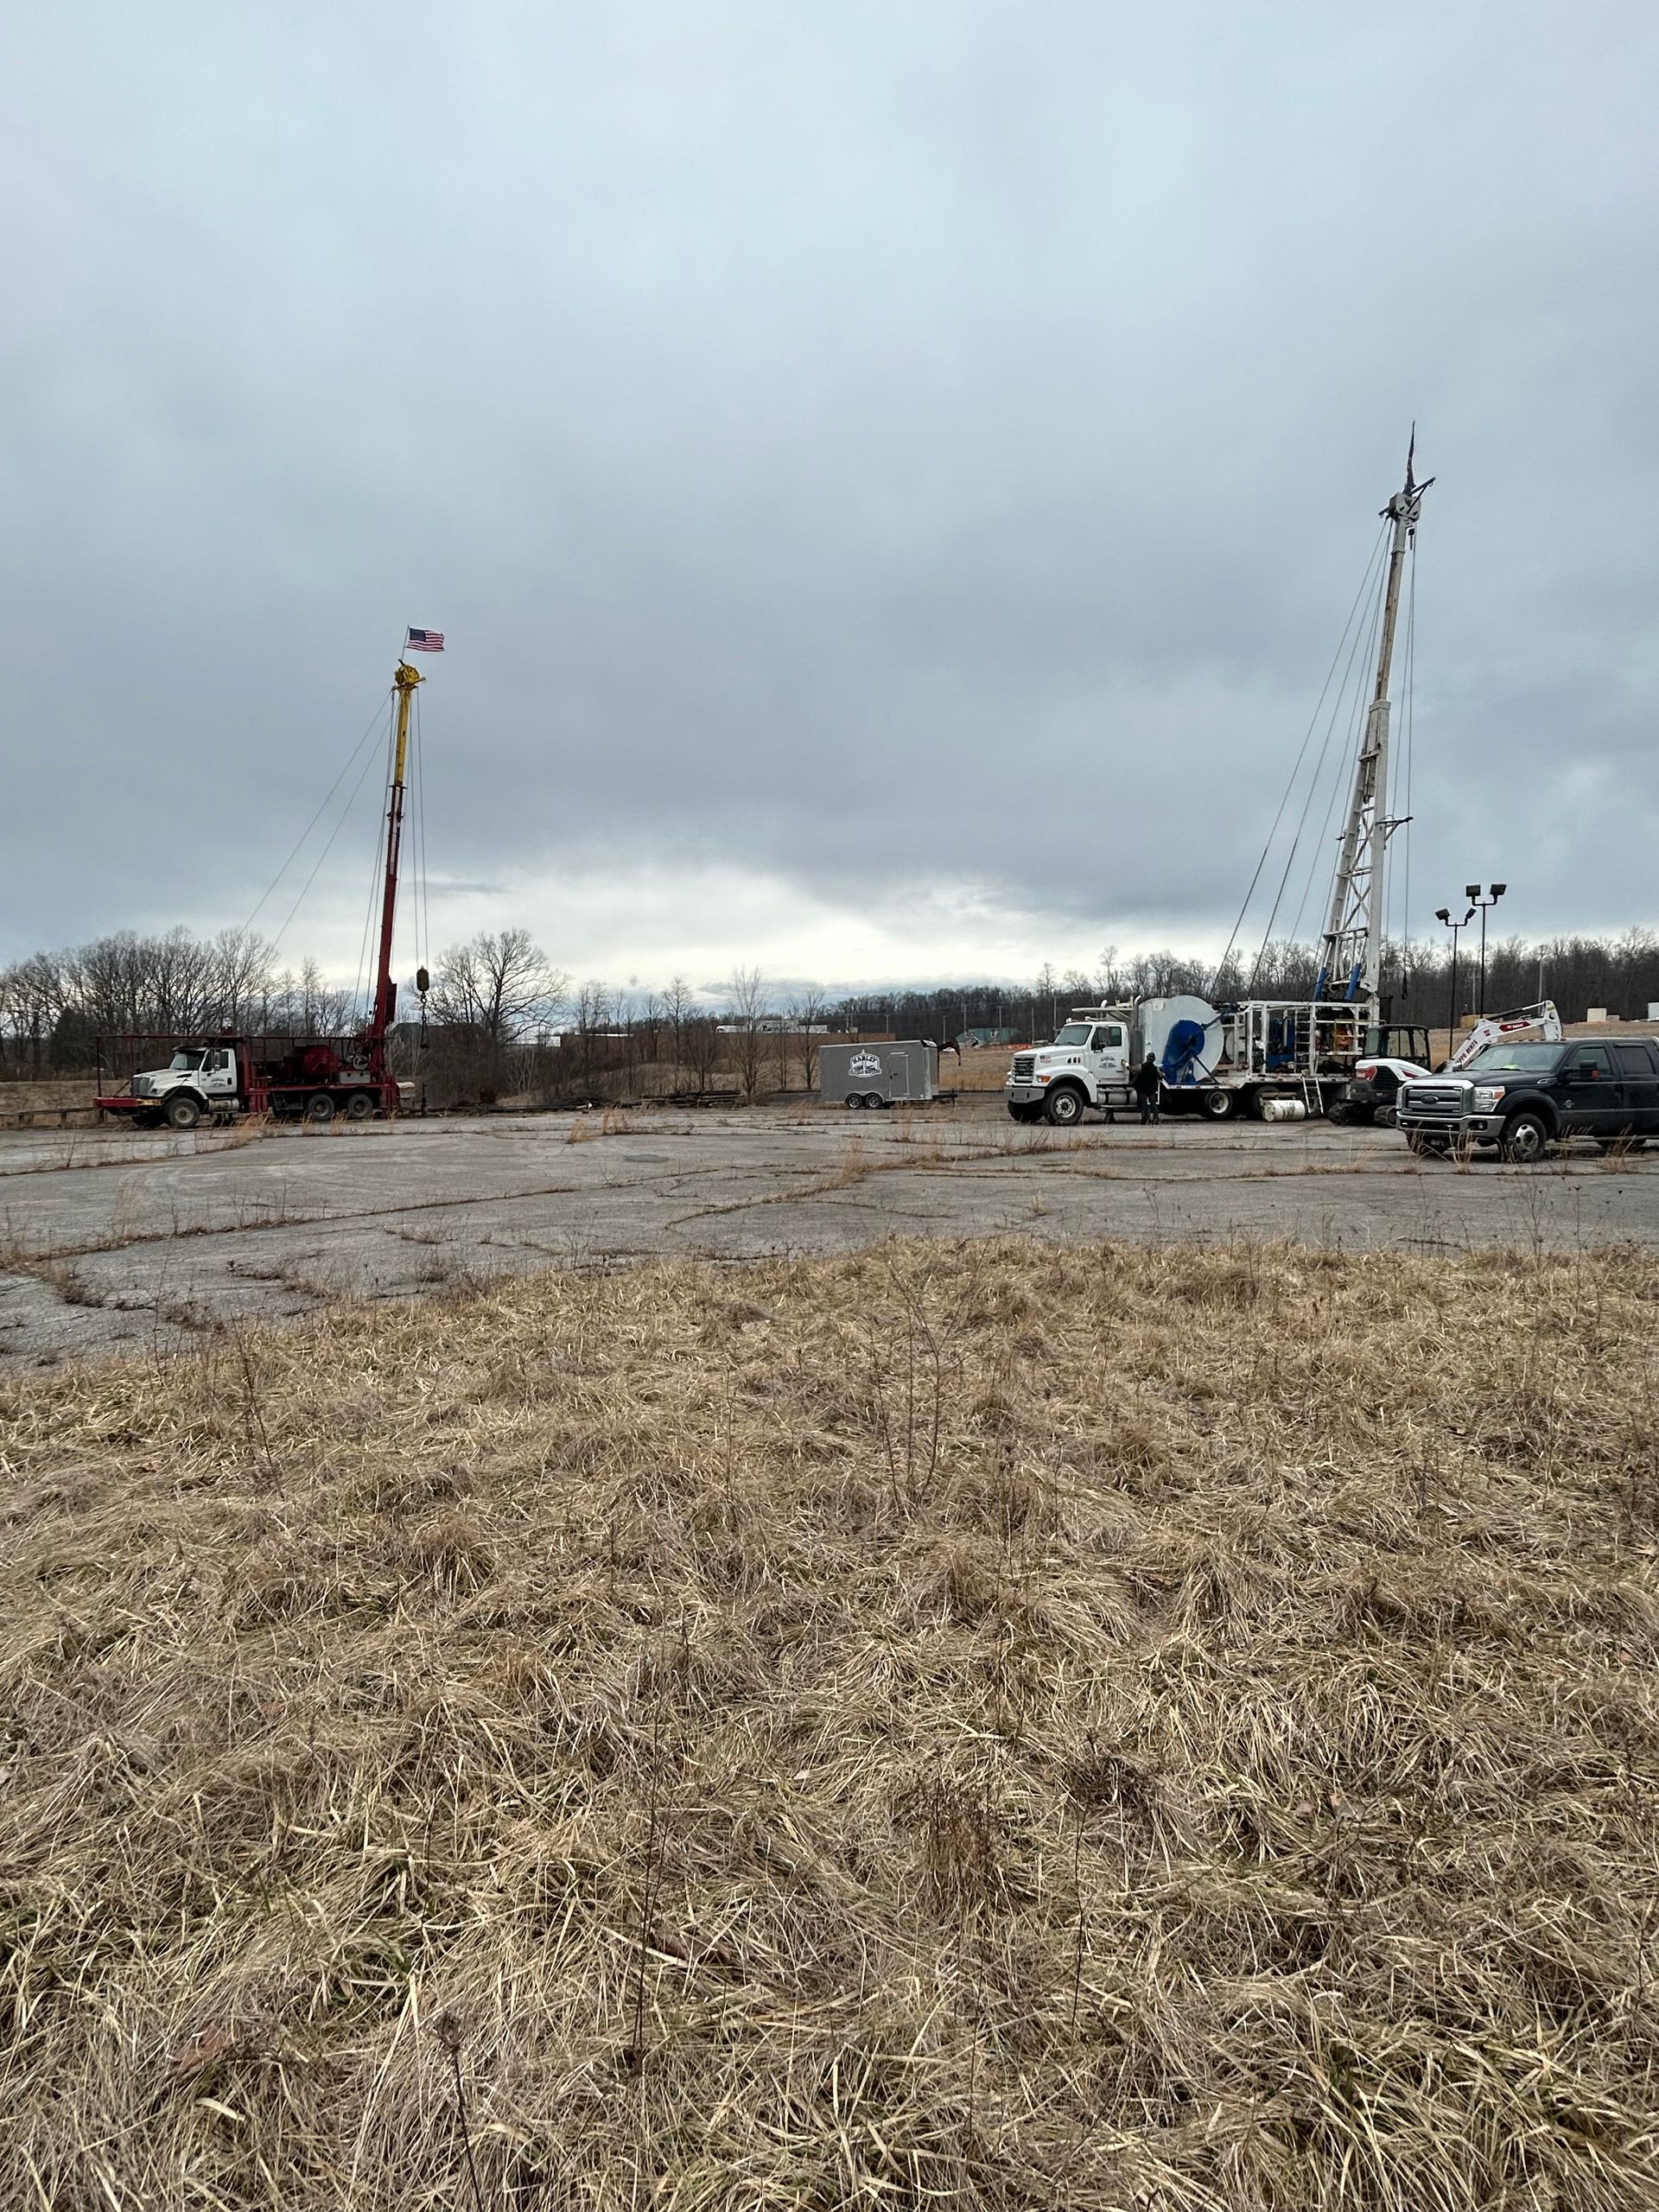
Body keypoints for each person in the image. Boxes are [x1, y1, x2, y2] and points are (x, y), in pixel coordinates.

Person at [1134, 1052, 1161, 1125]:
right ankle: (1156, 1118)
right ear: (1154, 1059)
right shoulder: (1155, 1068)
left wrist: (1126, 1065)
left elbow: (1132, 1070)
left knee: (1144, 1104)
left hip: (1143, 1088)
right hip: (1151, 1089)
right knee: (1153, 1104)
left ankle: (1145, 1119)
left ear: (1147, 1058)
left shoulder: (1141, 1066)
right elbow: (1161, 1075)